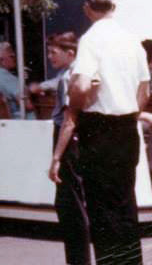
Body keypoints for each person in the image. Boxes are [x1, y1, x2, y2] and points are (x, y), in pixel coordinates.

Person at [69, 0, 150, 265]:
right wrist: (132, 113)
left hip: (99, 127)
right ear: (113, 6)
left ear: (87, 9)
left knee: (102, 207)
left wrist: (78, 100)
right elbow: (144, 90)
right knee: (126, 201)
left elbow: (80, 85)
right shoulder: (132, 40)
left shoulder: (90, 40)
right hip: (127, 127)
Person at [44, 33, 91, 265]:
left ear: (70, 53)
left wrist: (56, 158)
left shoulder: (66, 79)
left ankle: (78, 260)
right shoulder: (79, 74)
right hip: (82, 140)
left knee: (68, 203)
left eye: (54, 52)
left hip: (67, 142)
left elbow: (68, 120)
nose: (49, 56)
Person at [0, 42, 34, 119]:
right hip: (21, 123)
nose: (15, 57)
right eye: (11, 56)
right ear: (1, 60)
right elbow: (28, 105)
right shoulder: (8, 79)